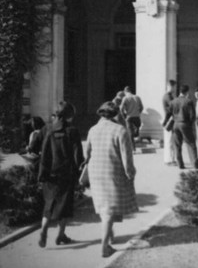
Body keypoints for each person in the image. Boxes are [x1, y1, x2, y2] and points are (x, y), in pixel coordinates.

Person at [85, 101, 138, 258]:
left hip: (96, 172)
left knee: (104, 206)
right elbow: (127, 158)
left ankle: (110, 234)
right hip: (113, 172)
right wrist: (131, 174)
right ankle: (104, 247)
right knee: (109, 210)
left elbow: (87, 154)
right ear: (116, 114)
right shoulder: (120, 130)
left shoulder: (92, 130)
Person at [37, 101, 84, 249]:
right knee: (65, 206)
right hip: (67, 174)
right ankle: (61, 235)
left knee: (49, 204)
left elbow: (33, 145)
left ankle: (44, 229)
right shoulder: (72, 131)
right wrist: (80, 173)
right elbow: (78, 156)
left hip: (49, 173)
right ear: (69, 115)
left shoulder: (46, 129)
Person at [168, 85, 198, 169]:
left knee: (177, 145)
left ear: (180, 91)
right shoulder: (188, 101)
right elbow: (192, 116)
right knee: (191, 144)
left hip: (175, 124)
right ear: (187, 92)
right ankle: (195, 163)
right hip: (185, 123)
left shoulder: (173, 101)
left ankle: (180, 164)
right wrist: (190, 124)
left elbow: (169, 113)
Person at [120, 86, 144, 151]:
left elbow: (121, 109)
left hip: (129, 117)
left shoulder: (125, 98)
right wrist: (138, 112)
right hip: (137, 117)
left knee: (130, 134)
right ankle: (136, 137)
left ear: (125, 92)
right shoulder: (137, 97)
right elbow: (141, 107)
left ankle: (133, 148)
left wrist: (124, 116)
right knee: (136, 131)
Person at [162, 80, 177, 166]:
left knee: (170, 141)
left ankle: (170, 159)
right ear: (170, 86)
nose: (175, 88)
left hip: (168, 120)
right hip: (169, 121)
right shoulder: (168, 96)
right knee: (169, 141)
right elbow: (173, 108)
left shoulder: (169, 96)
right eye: (174, 86)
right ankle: (169, 160)